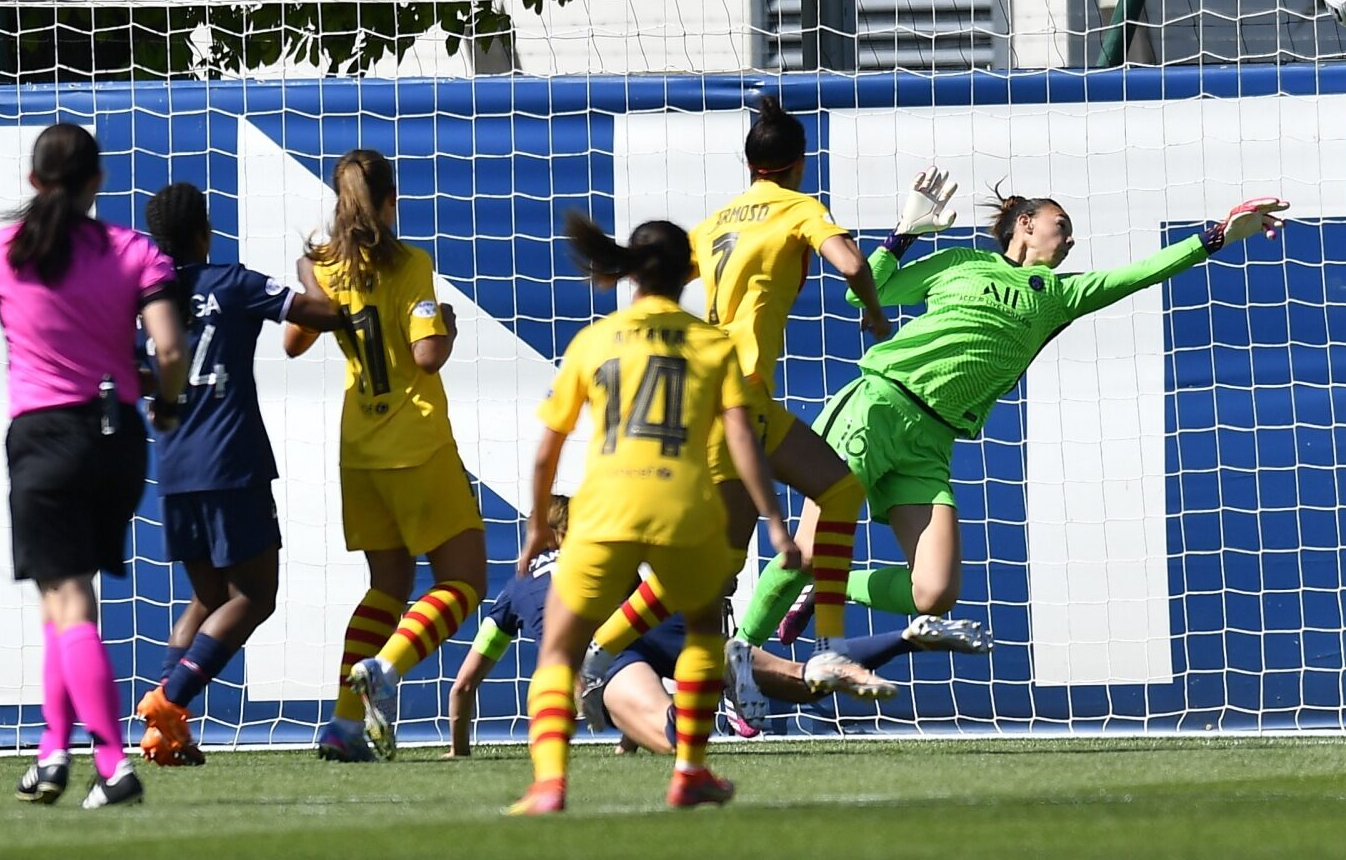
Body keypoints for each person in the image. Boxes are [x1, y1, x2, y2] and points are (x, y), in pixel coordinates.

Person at [736, 174, 1290, 646]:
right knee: (805, 551)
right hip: (878, 407)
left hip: (932, 442)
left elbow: (1144, 271)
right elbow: (863, 294)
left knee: (933, 593)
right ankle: (733, 665)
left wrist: (1219, 235)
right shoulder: (959, 264)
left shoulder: (1059, 293)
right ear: (1025, 223)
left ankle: (828, 587)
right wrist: (904, 234)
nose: (1069, 239)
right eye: (1061, 225)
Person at [580, 95, 898, 724]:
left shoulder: (720, 218)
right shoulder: (801, 208)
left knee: (838, 489)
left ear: (751, 164)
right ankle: (601, 652)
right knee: (714, 571)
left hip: (747, 396)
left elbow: (655, 281)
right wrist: (872, 310)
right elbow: (854, 264)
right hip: (734, 399)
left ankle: (828, 644)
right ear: (800, 164)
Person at [0, 123, 189, 810]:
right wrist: (164, 409)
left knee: (65, 597)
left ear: (35, 181)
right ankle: (51, 753)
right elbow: (168, 353)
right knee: (67, 598)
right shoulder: (133, 251)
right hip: (118, 438)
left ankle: (110, 765)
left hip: (44, 439)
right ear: (97, 182)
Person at [506, 214, 802, 815]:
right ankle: (690, 770)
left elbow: (547, 449)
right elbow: (742, 438)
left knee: (559, 650)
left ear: (631, 274)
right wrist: (773, 521)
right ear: (687, 272)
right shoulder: (712, 343)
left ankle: (548, 785)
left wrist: (539, 525)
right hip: (681, 507)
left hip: (605, 507)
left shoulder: (594, 340)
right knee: (701, 634)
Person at [444, 494, 991, 759]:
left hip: (597, 646)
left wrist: (459, 751)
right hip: (653, 616)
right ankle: (906, 637)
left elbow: (465, 685)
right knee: (804, 678)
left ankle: (709, 692)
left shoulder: (516, 592)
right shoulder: (613, 562)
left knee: (677, 735)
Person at [130, 182, 348, 767]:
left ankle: (168, 734)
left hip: (174, 466)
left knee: (205, 597)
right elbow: (325, 314)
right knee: (254, 596)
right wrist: (309, 269)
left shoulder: (149, 300)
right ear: (206, 231)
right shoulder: (233, 282)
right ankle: (168, 701)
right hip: (232, 461)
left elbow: (137, 373)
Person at [279, 149, 486, 763]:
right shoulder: (411, 263)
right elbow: (427, 356)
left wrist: (312, 277)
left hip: (359, 451)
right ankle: (389, 668)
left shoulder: (326, 266)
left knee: (386, 586)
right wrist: (444, 323)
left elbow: (293, 342)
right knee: (466, 581)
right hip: (415, 444)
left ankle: (344, 726)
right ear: (391, 202)